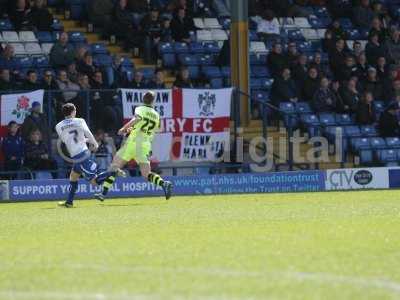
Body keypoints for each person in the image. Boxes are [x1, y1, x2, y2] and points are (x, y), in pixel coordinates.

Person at [94, 91, 172, 201]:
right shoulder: (156, 114)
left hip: (133, 143)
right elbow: (160, 129)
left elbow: (137, 119)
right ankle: (164, 184)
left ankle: (103, 193)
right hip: (145, 145)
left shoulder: (140, 109)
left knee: (114, 167)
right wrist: (136, 130)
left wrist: (124, 129)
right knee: (146, 174)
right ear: (153, 101)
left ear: (143, 98)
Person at [56, 103, 125, 208]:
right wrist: (94, 143)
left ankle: (113, 172)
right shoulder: (80, 121)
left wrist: (82, 140)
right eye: (75, 110)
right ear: (73, 112)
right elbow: (87, 133)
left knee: (93, 182)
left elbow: (67, 140)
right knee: (74, 177)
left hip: (77, 155)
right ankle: (69, 202)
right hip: (81, 154)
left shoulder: (58, 125)